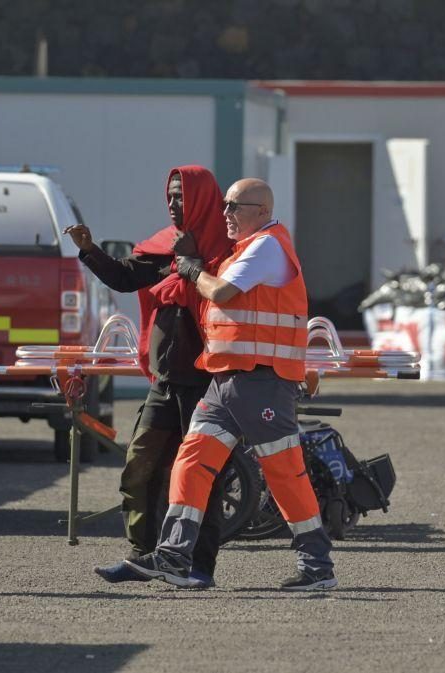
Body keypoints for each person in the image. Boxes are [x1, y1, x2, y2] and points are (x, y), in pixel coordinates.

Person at [108, 177, 337, 591]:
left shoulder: (267, 246)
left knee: (285, 474)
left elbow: (225, 293)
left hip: (262, 382)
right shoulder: (248, 248)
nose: (226, 213)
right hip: (228, 379)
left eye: (235, 206)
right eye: (225, 206)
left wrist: (192, 268)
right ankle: (174, 555)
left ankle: (318, 567)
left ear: (263, 211)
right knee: (192, 461)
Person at [65, 166, 233, 589]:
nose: (173, 204)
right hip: (166, 382)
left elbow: (232, 300)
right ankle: (143, 556)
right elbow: (125, 275)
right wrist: (90, 250)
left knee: (201, 478)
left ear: (200, 199)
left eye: (181, 197)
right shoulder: (165, 247)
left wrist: (194, 263)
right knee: (140, 466)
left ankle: (199, 566)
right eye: (170, 196)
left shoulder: (229, 250)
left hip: (209, 384)